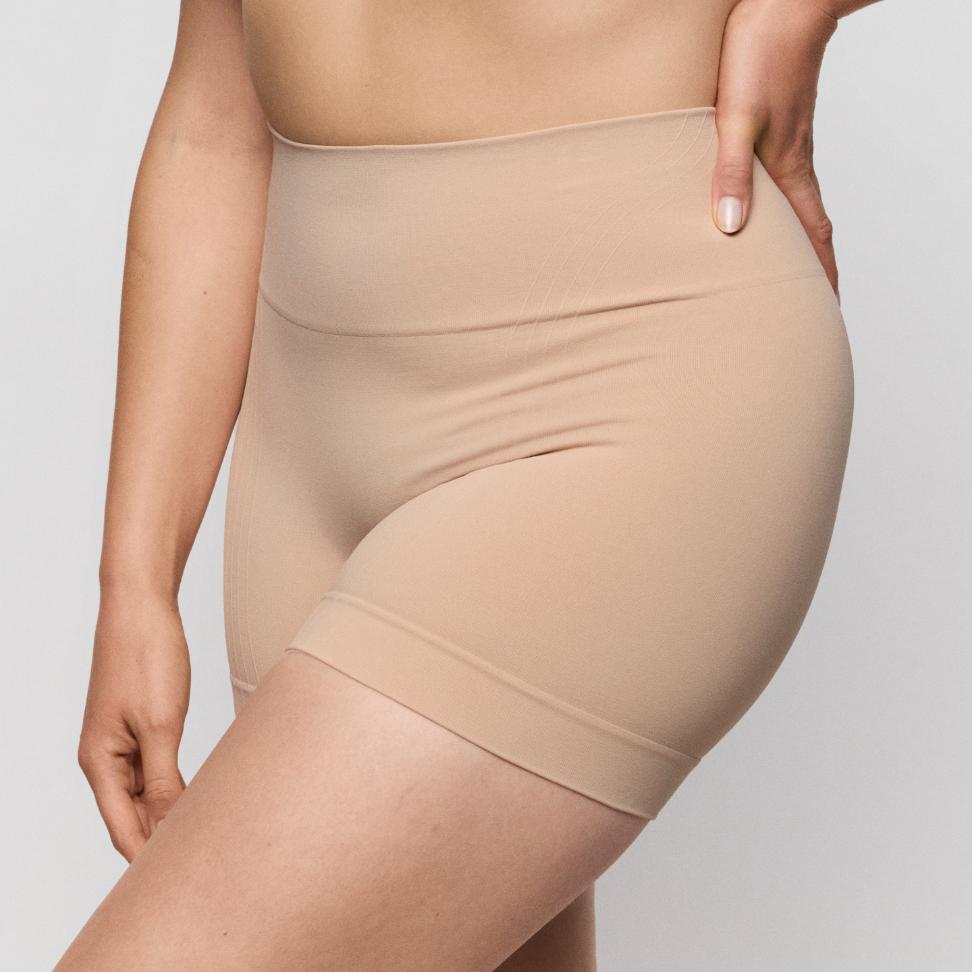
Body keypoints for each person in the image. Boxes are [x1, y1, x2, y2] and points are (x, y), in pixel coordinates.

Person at [58, 0, 878, 968]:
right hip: (308, 448)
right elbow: (212, 125)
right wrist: (136, 580)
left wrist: (801, 10)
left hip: (625, 379)